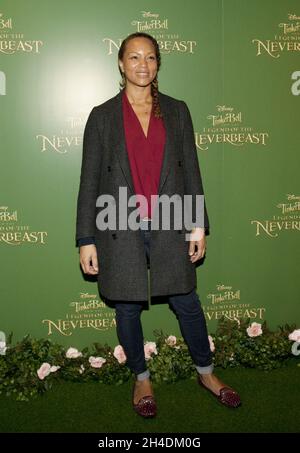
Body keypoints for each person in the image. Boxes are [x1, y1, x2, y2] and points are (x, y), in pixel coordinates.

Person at [76, 32, 241, 418]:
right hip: (118, 224)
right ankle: (141, 378)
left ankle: (206, 373)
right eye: (134, 57)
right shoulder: (101, 117)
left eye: (150, 57)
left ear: (158, 63)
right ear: (121, 63)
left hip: (170, 221)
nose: (142, 65)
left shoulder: (177, 110)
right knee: (128, 308)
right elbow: (88, 182)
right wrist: (86, 238)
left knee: (187, 301)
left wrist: (198, 224)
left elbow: (192, 172)